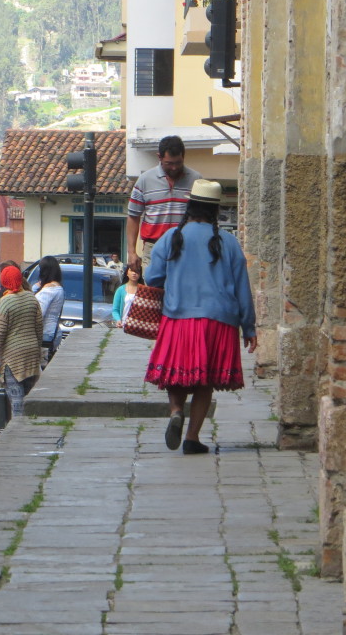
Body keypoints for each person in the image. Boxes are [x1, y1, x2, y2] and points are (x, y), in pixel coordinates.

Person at [144, 179, 257, 455]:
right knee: (204, 380)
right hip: (219, 321)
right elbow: (242, 286)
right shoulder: (229, 242)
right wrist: (249, 327)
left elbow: (152, 277)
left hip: (177, 318)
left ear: (189, 206)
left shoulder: (171, 238)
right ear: (215, 210)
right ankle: (192, 438)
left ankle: (175, 410)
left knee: (176, 376)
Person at [126, 135, 202, 274]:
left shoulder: (196, 180)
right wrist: (131, 252)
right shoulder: (144, 180)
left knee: (182, 293)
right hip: (154, 247)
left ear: (183, 157)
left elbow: (202, 218)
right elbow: (133, 217)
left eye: (178, 163)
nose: (174, 167)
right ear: (159, 157)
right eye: (169, 163)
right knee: (153, 293)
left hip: (186, 248)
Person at [0, 265, 43, 415]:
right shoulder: (31, 298)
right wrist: (38, 349)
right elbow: (39, 327)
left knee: (16, 400)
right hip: (31, 354)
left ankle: (17, 431)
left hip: (12, 357)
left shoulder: (4, 302)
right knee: (27, 396)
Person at [32, 256, 65, 367]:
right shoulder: (58, 287)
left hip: (44, 334)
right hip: (53, 332)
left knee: (41, 368)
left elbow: (38, 313)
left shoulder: (48, 290)